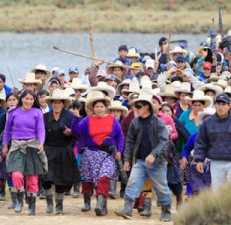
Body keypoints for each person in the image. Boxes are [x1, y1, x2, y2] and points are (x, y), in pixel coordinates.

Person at [114, 89, 172, 222]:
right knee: (132, 183)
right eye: (135, 106)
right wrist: (127, 159)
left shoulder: (158, 123)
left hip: (157, 162)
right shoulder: (135, 122)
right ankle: (127, 209)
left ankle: (166, 211)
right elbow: (129, 141)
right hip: (140, 161)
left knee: (161, 187)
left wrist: (153, 154)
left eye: (138, 106)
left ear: (147, 107)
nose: (136, 109)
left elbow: (165, 142)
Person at [72, 90, 124, 216]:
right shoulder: (86, 121)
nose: (99, 109)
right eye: (97, 106)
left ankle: (100, 204)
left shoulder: (112, 119)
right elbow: (75, 133)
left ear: (106, 108)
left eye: (102, 106)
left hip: (107, 154)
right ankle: (95, 204)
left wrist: (119, 151)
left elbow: (120, 136)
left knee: (104, 177)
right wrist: (76, 117)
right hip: (90, 154)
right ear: (92, 108)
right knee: (88, 180)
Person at [2, 90, 46, 215]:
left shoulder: (38, 112)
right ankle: (19, 201)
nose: (29, 102)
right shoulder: (13, 112)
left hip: (33, 146)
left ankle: (32, 206)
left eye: (31, 99)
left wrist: (41, 143)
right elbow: (7, 131)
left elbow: (41, 130)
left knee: (32, 179)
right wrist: (5, 145)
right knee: (16, 175)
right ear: (21, 99)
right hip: (17, 146)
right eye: (27, 99)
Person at [43, 89, 80, 215]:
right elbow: (41, 134)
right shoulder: (45, 117)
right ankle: (49, 202)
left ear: (63, 104)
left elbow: (78, 134)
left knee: (60, 180)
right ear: (51, 103)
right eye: (54, 102)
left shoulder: (70, 117)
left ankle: (59, 205)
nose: (56, 104)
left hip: (64, 150)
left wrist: (72, 132)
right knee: (46, 178)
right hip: (48, 150)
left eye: (59, 102)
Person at [194, 93, 231, 191]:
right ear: (215, 105)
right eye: (218, 104)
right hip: (215, 162)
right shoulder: (207, 123)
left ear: (229, 105)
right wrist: (199, 160)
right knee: (217, 192)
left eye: (223, 104)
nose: (220, 107)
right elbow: (201, 142)